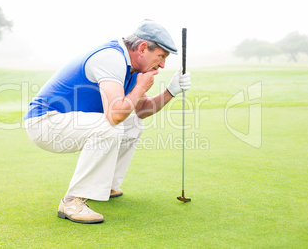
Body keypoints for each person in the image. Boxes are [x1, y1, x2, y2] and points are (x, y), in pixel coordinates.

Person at [24, 19, 191, 224]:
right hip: (44, 122)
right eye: (161, 56)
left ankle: (104, 186)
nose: (163, 64)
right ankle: (71, 202)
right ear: (143, 48)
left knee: (133, 125)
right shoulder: (112, 58)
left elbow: (141, 111)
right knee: (110, 126)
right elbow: (115, 115)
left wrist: (170, 91)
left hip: (65, 122)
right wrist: (140, 88)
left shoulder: (132, 67)